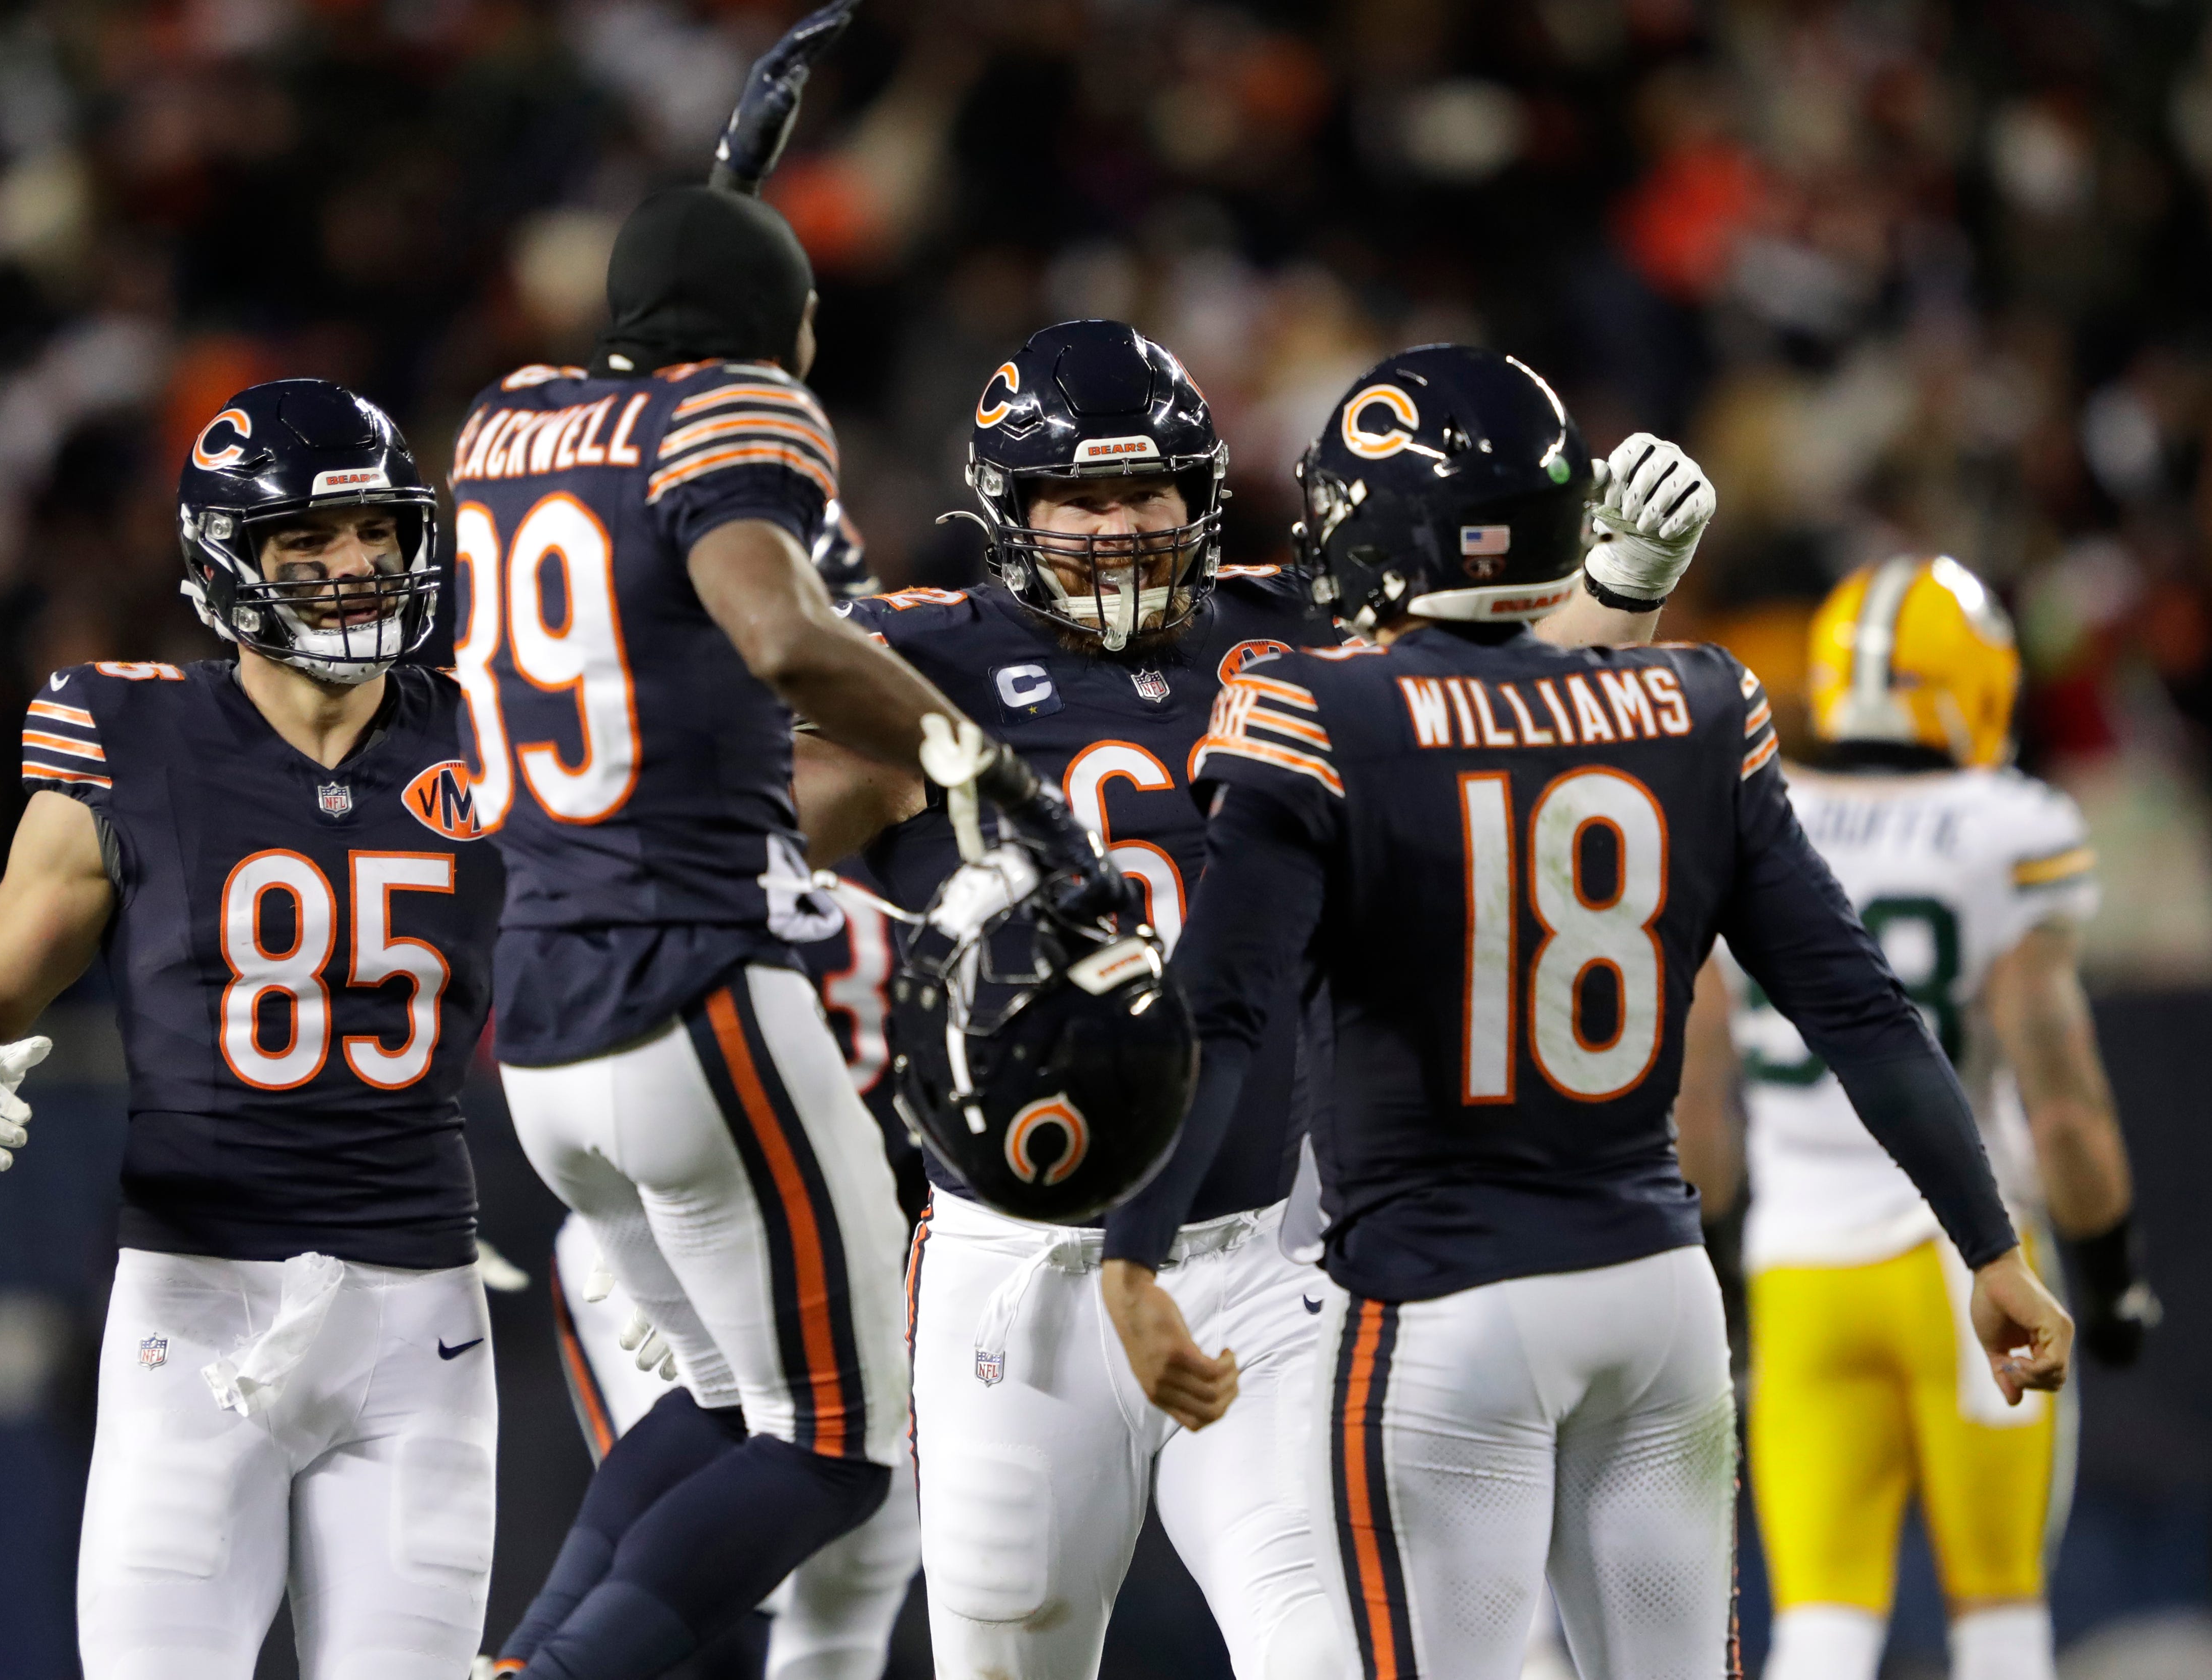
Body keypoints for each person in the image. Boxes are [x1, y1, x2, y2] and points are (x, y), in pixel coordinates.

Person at [1105, 344, 2076, 1680]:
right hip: (1653, 1299)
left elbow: (1221, 1014)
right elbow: (1857, 1010)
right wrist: (1988, 1245)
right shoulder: (1693, 700)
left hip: (1438, 1304)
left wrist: (1133, 1252)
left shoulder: (1312, 709)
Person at [790, 320, 1704, 1680]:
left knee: (1329, 1654)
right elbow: (745, 840)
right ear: (1011, 511)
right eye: (1080, 499)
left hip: (1259, 1259)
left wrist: (1619, 591)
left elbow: (1513, 710)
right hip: (1015, 1271)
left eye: (1146, 489)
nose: (1117, 526)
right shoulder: (926, 661)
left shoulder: (1297, 628)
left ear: (1205, 492)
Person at [451, 9, 1128, 1673]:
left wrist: (720, 208)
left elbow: (645, 382)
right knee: (837, 1440)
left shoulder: (503, 424)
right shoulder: (738, 413)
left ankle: (521, 1655)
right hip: (689, 977)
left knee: (715, 1400)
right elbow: (772, 626)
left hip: (540, 1007)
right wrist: (984, 767)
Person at [0, 379, 505, 1679]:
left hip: (422, 1315)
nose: (355, 568)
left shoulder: (495, 733)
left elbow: (607, 974)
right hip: (194, 1301)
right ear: (231, 565)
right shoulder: (134, 737)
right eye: (309, 544)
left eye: (377, 537)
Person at [1672, 557, 2158, 1680]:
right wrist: (2113, 1267)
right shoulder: (2008, 826)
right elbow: (2065, 1104)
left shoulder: (1754, 804)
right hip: (1969, 1272)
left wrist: (1717, 1258)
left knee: (1822, 1626)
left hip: (1799, 1269)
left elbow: (1701, 1089)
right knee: (2000, 1617)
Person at [498, 506, 923, 1680]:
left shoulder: (606, 776)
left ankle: (535, 1657)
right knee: (813, 1476)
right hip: (747, 1192)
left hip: (755, 1201)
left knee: (816, 1555)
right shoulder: (900, 780)